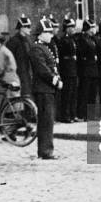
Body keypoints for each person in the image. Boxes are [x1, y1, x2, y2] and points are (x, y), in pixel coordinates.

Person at [29, 17, 63, 159]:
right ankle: (45, 151)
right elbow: (42, 70)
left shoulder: (44, 47)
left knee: (48, 120)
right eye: (48, 32)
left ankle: (46, 150)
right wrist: (55, 81)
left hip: (47, 89)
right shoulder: (36, 48)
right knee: (46, 120)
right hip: (43, 89)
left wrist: (57, 78)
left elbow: (52, 67)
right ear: (41, 33)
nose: (51, 35)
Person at [5, 14, 33, 98]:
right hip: (17, 74)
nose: (30, 29)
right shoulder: (13, 41)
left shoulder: (28, 40)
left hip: (26, 73)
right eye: (27, 27)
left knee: (27, 97)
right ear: (22, 28)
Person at [57, 15, 78, 123]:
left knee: (73, 93)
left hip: (73, 69)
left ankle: (72, 114)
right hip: (67, 70)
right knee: (67, 94)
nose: (73, 29)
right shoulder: (63, 40)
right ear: (67, 28)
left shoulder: (72, 40)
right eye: (71, 27)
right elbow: (61, 56)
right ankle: (65, 115)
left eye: (74, 27)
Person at [76, 18, 98, 120]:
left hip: (93, 69)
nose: (94, 29)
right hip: (85, 69)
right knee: (84, 93)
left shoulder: (92, 39)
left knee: (92, 93)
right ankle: (83, 114)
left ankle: (91, 114)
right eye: (92, 27)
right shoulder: (82, 39)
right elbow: (82, 54)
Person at [48, 15, 61, 121]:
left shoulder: (55, 40)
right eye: (54, 27)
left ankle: (55, 115)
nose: (57, 29)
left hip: (56, 69)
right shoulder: (48, 42)